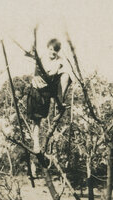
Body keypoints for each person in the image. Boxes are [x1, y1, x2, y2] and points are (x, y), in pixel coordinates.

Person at [24, 38, 70, 175]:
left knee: (66, 76)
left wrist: (46, 74)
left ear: (58, 52)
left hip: (48, 89)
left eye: (55, 51)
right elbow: (28, 55)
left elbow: (52, 73)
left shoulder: (59, 61)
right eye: (51, 50)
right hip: (37, 91)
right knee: (36, 121)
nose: (53, 53)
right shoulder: (41, 57)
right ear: (48, 48)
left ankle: (59, 102)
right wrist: (32, 51)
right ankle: (36, 145)